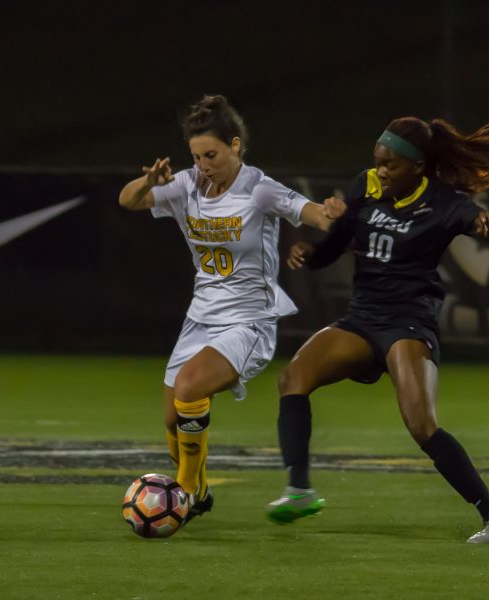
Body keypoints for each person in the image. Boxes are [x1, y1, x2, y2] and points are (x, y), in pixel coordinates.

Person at [265, 115, 489, 544]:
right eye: (378, 162)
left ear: (417, 167)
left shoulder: (443, 202)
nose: (381, 171)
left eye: (390, 165)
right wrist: (312, 255)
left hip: (408, 321)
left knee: (422, 425)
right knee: (294, 377)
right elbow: (340, 238)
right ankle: (299, 490)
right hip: (363, 318)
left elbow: (479, 223)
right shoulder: (365, 185)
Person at [118, 95, 342, 520]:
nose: (204, 164)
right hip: (200, 316)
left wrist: (331, 214)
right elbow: (127, 201)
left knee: (189, 388)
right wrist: (150, 182)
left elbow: (311, 213)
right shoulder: (185, 184)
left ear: (235, 145)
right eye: (197, 156)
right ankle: (200, 493)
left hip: (249, 320)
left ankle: (181, 494)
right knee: (171, 419)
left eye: (212, 155)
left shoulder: (259, 189)